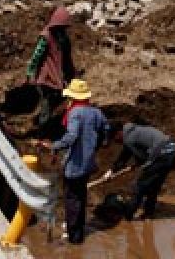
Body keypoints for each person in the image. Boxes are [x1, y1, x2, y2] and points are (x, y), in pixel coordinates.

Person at [42, 79, 108, 245]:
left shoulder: (75, 113)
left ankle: (74, 238)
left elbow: (71, 136)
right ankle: (78, 230)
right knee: (80, 196)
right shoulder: (96, 112)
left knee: (72, 200)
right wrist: (94, 146)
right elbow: (106, 130)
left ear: (73, 97)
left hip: (74, 166)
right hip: (88, 164)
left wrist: (54, 146)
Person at [99, 120, 175, 220]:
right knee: (154, 186)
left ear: (119, 132)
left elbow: (141, 157)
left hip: (161, 155)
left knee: (140, 187)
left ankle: (129, 214)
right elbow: (124, 157)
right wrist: (111, 172)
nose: (115, 141)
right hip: (171, 151)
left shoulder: (128, 138)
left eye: (114, 138)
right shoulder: (133, 132)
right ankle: (148, 213)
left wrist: (141, 161)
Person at [26, 6, 75, 130]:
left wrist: (70, 75)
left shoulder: (64, 39)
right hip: (46, 76)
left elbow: (67, 58)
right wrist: (31, 72)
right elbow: (36, 56)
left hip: (58, 77)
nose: (62, 29)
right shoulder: (45, 37)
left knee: (57, 100)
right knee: (46, 103)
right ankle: (42, 131)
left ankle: (48, 124)